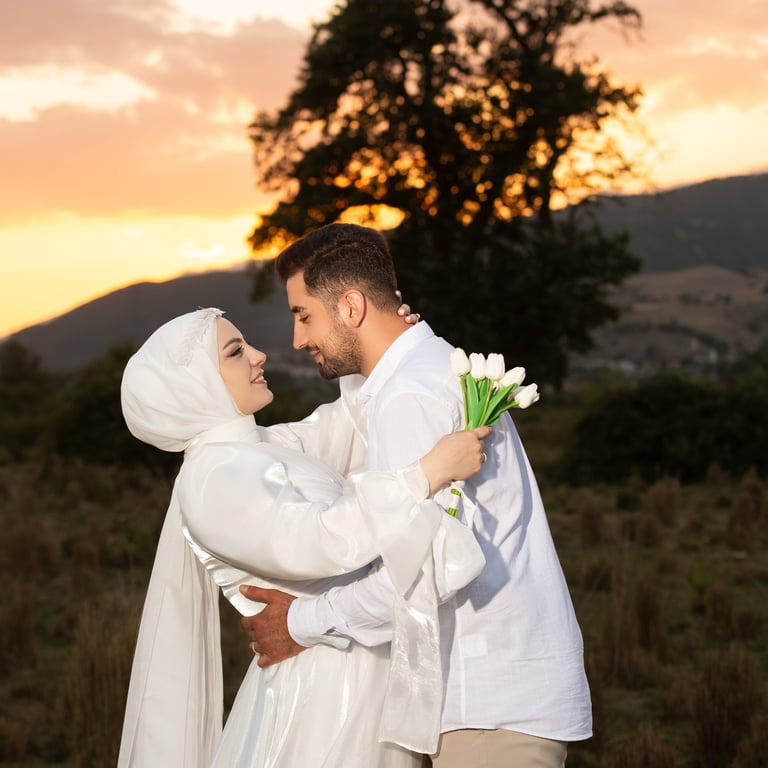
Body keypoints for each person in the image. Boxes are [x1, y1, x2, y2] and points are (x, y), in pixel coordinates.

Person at [241, 222, 593, 767]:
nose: (297, 339)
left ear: (351, 306)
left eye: (303, 315)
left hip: (488, 706)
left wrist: (298, 624)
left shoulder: (411, 397)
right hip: (490, 697)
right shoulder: (426, 370)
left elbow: (416, 579)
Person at [117, 306, 491, 768]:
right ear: (194, 388)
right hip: (324, 692)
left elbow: (347, 424)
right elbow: (322, 541)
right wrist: (426, 473)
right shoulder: (211, 477)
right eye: (235, 352)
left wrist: (384, 339)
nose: (258, 355)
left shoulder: (260, 448)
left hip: (350, 664)